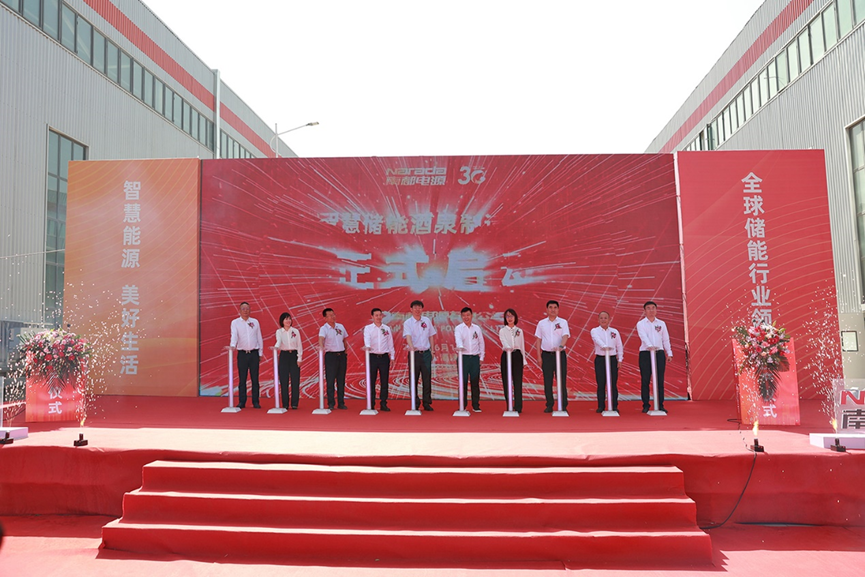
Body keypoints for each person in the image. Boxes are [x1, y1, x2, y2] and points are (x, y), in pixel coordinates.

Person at [637, 301, 673, 413]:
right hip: (645, 353)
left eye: (653, 308)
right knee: (645, 379)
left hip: (659, 353)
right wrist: (650, 346)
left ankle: (660, 404)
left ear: (656, 310)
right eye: (648, 308)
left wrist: (669, 353)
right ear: (645, 311)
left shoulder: (661, 323)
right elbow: (643, 337)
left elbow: (665, 339)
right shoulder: (641, 324)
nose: (651, 310)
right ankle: (646, 405)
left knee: (659, 380)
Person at [535, 300, 570, 413]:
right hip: (546, 355)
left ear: (558, 309)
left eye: (555, 307)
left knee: (561, 380)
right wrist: (539, 356)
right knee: (548, 380)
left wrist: (561, 346)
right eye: (550, 307)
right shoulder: (541, 323)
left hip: (560, 355)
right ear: (547, 309)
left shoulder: (563, 322)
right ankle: (549, 404)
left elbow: (565, 336)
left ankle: (563, 405)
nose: (553, 310)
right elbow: (538, 339)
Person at [229, 301, 264, 409]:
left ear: (250, 310)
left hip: (254, 353)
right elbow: (234, 335)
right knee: (242, 379)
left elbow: (259, 337)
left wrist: (260, 352)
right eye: (243, 309)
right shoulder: (235, 322)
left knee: (255, 379)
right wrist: (232, 345)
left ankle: (255, 401)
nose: (245, 311)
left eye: (247, 309)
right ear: (239, 310)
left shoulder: (255, 322)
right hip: (242, 354)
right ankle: (242, 401)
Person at [403, 299, 436, 411]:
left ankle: (426, 402)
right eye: (415, 308)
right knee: (413, 378)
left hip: (426, 353)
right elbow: (408, 336)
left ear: (422, 309)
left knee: (427, 379)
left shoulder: (426, 320)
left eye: (419, 308)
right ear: (411, 309)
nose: (417, 310)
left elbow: (431, 335)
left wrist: (432, 350)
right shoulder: (408, 323)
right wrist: (411, 347)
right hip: (414, 354)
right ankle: (415, 402)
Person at [590, 311, 624, 413]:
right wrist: (605, 347)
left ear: (609, 319)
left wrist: (620, 359)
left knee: (613, 383)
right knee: (601, 383)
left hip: (612, 359)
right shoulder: (594, 331)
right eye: (601, 318)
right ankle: (601, 406)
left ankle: (614, 405)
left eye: (605, 318)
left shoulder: (614, 331)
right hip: (601, 359)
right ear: (598, 320)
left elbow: (619, 345)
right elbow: (597, 340)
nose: (603, 320)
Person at [363, 308, 395, 411]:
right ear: (372, 317)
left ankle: (383, 403)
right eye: (376, 315)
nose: (378, 317)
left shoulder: (386, 328)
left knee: (384, 381)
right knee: (371, 381)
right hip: (372, 357)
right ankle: (371, 403)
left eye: (380, 315)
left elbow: (390, 343)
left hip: (384, 357)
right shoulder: (368, 328)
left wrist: (392, 356)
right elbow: (367, 340)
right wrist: (367, 347)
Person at [454, 306, 485, 412]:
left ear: (472, 315)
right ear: (461, 317)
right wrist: (460, 347)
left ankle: (476, 405)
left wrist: (481, 357)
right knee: (462, 382)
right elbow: (458, 340)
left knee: (475, 382)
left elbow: (481, 343)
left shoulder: (477, 328)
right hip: (463, 358)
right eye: (464, 315)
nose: (466, 317)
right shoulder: (458, 328)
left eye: (468, 315)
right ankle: (462, 405)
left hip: (475, 358)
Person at [318, 307, 348, 410]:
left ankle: (341, 402)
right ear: (325, 318)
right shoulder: (324, 329)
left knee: (341, 380)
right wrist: (321, 347)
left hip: (341, 355)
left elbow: (344, 340)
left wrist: (345, 352)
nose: (332, 317)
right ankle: (331, 403)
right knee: (330, 380)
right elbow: (321, 339)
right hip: (331, 356)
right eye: (330, 316)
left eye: (333, 315)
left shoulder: (340, 326)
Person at [498, 308, 525, 413]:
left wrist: (524, 360)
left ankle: (518, 406)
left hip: (517, 356)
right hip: (506, 355)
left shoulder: (519, 331)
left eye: (511, 316)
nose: (510, 318)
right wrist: (509, 348)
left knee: (518, 381)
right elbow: (504, 342)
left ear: (515, 317)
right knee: (506, 381)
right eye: (508, 316)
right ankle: (509, 404)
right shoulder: (502, 331)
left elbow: (522, 346)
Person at [274, 312, 302, 409]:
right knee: (284, 380)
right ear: (282, 321)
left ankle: (294, 403)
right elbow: (278, 341)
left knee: (295, 380)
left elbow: (299, 345)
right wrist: (275, 347)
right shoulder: (279, 331)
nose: (288, 321)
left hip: (294, 355)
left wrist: (299, 358)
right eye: (286, 319)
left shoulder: (295, 331)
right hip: (284, 356)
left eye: (289, 319)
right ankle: (285, 403)